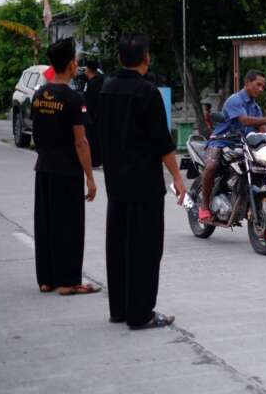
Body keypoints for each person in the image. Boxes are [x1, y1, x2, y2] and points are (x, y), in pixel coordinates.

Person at [98, 33, 186, 330]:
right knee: (145, 248)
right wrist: (177, 176)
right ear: (145, 59)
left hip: (117, 184)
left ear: (121, 58)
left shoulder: (106, 89)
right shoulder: (147, 93)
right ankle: (141, 313)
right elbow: (162, 143)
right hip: (144, 184)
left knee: (119, 245)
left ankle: (119, 309)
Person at [31, 38, 99, 296]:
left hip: (43, 168)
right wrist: (90, 178)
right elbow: (80, 141)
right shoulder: (73, 98)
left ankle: (46, 279)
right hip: (67, 170)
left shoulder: (39, 95)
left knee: (46, 224)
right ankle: (69, 281)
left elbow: (37, 132)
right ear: (71, 65)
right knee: (69, 226)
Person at [198, 70, 266, 223]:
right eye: (258, 85)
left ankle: (256, 214)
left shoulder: (256, 107)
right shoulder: (235, 100)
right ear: (247, 83)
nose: (261, 89)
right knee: (212, 166)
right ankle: (204, 206)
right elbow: (244, 121)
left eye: (263, 86)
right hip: (221, 141)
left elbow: (262, 129)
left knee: (260, 167)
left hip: (243, 146)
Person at [83, 59, 104, 167]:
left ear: (89, 69)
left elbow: (87, 102)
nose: (85, 71)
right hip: (101, 115)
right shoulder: (102, 80)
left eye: (86, 68)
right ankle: (99, 160)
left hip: (92, 116)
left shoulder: (91, 84)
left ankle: (95, 161)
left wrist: (84, 113)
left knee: (91, 139)